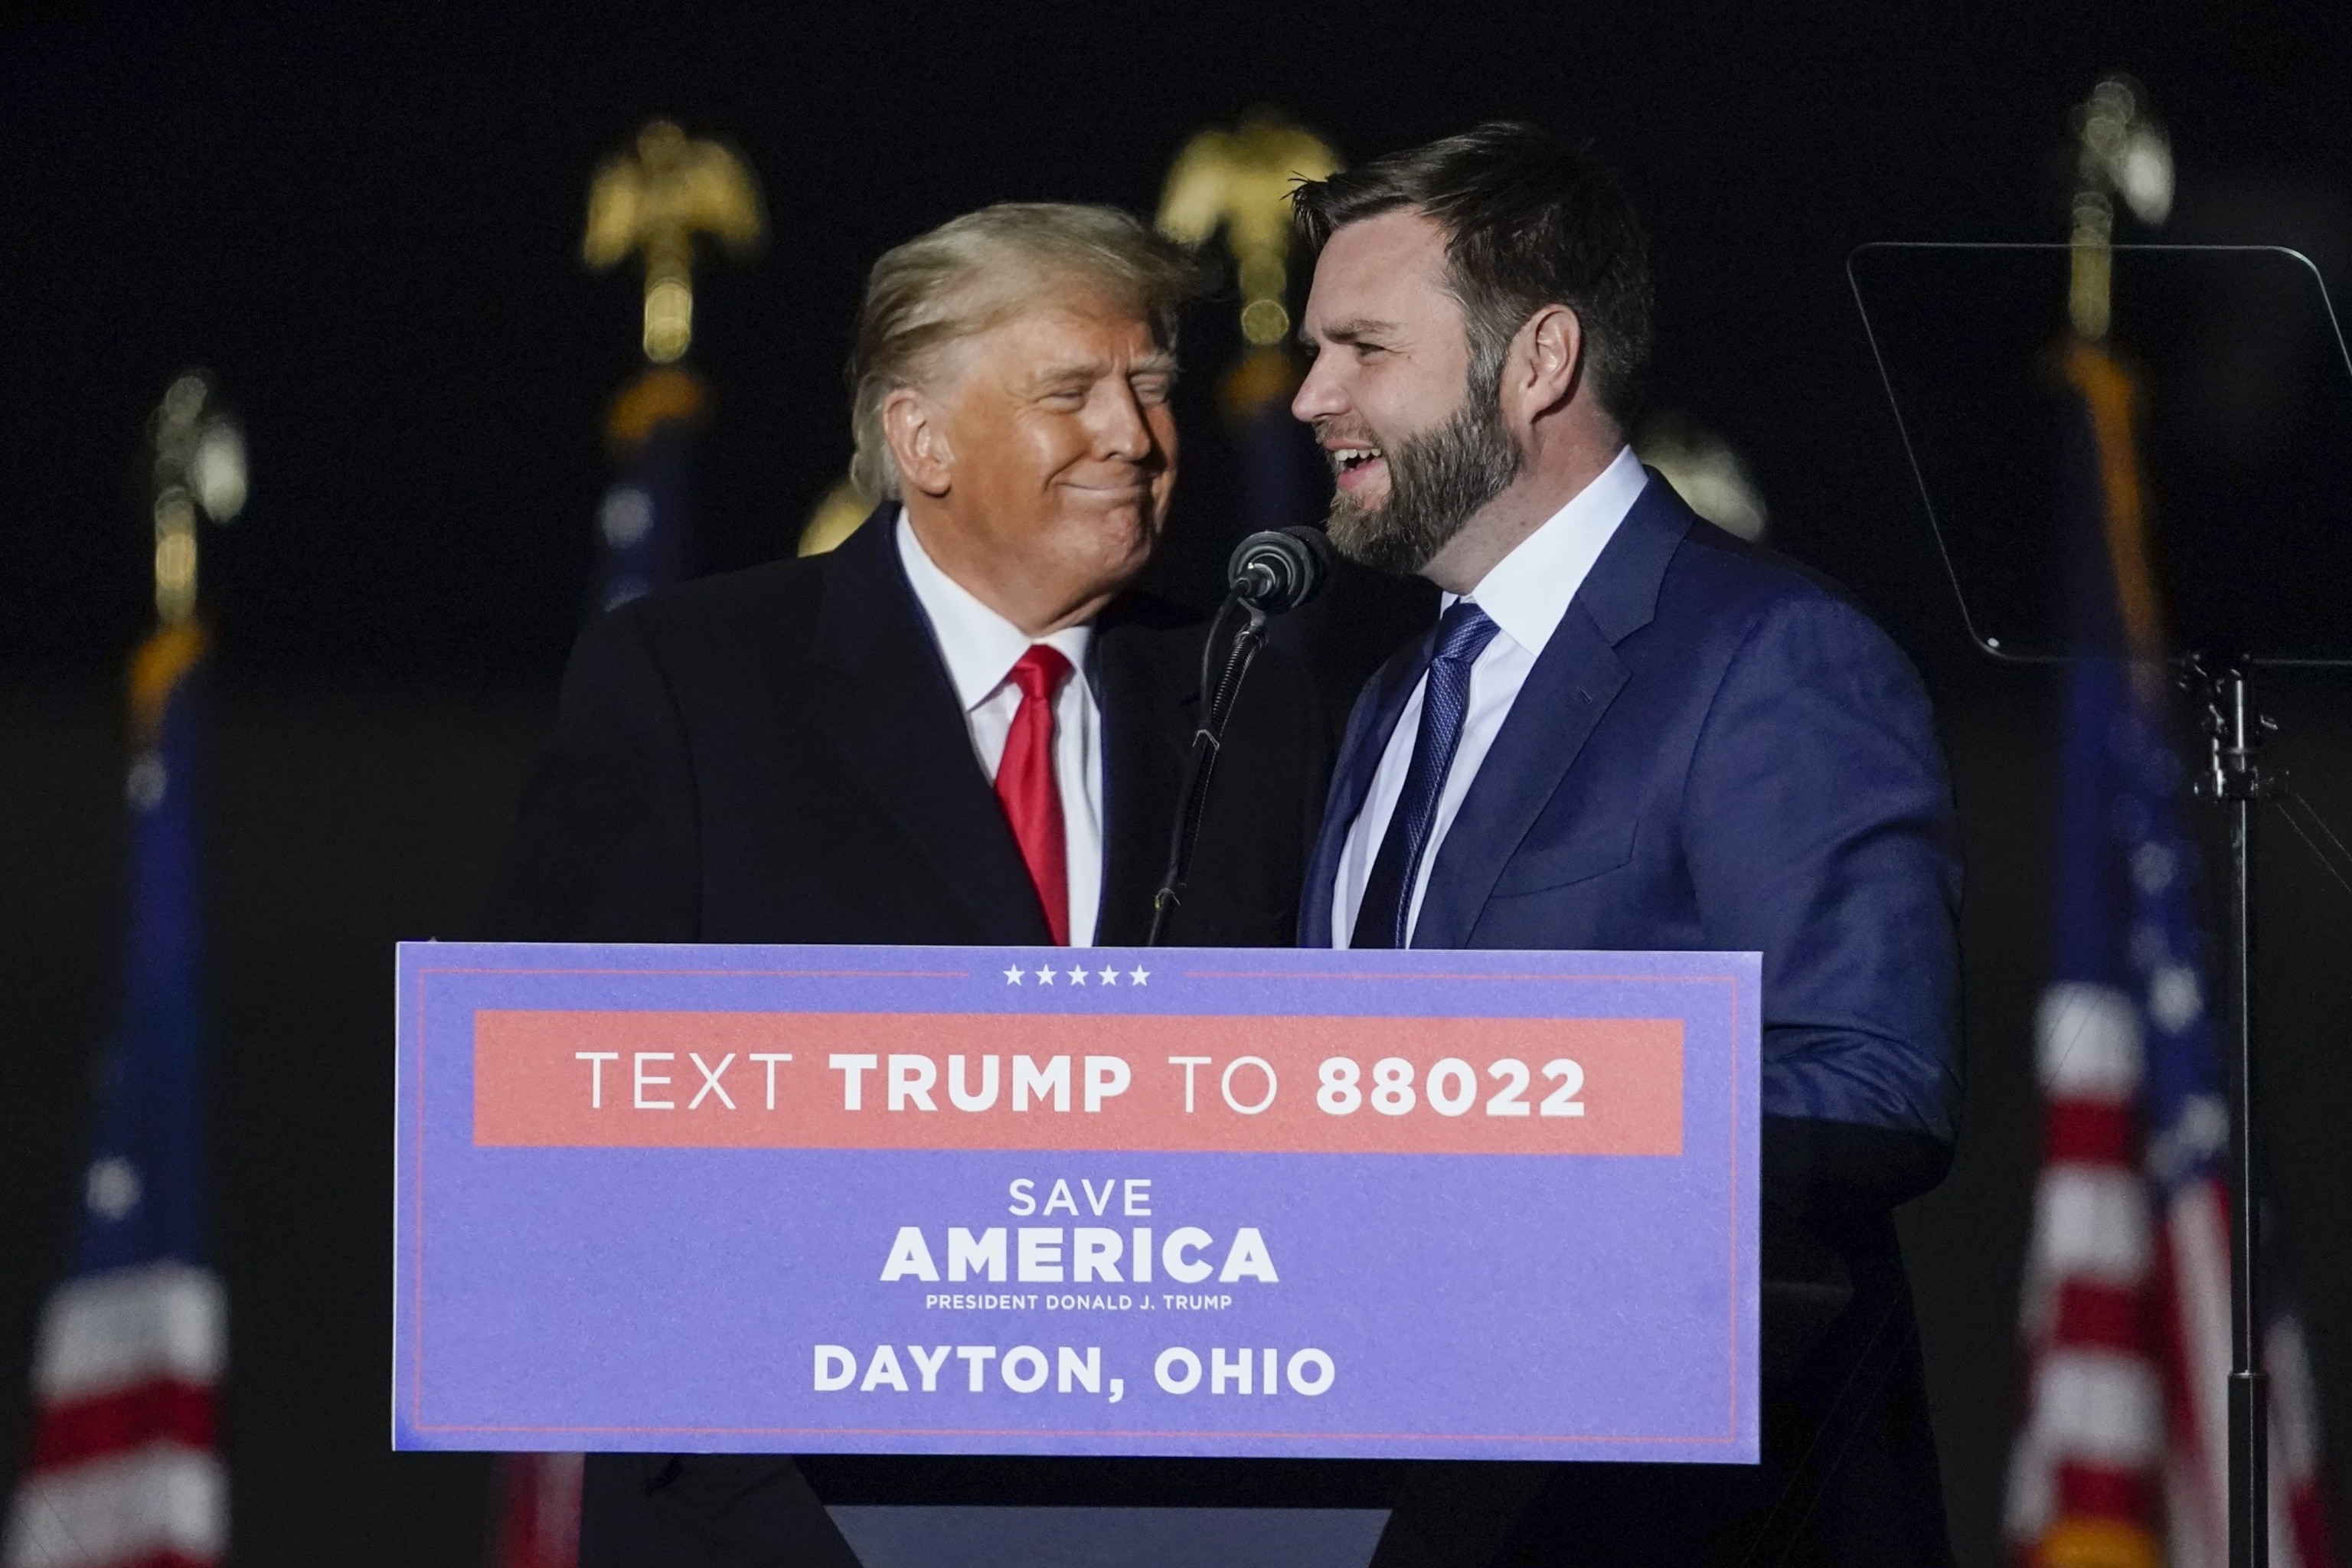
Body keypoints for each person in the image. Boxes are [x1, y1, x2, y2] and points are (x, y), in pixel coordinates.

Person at [485, 201, 1330, 1566]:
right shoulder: (695, 685)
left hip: (1169, 1511)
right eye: (1072, 392)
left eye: (1153, 388)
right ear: (920, 437)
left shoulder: (1257, 701)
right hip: (782, 1518)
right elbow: (549, 1118)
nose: (1133, 434)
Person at [1288, 124, 1963, 1566]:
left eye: (1361, 349)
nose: (1308, 395)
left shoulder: (1771, 657)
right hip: (1396, 1498)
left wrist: (1496, 1114)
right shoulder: (1396, 702)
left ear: (1538, 361)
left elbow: (1875, 1080)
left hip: (1665, 1512)